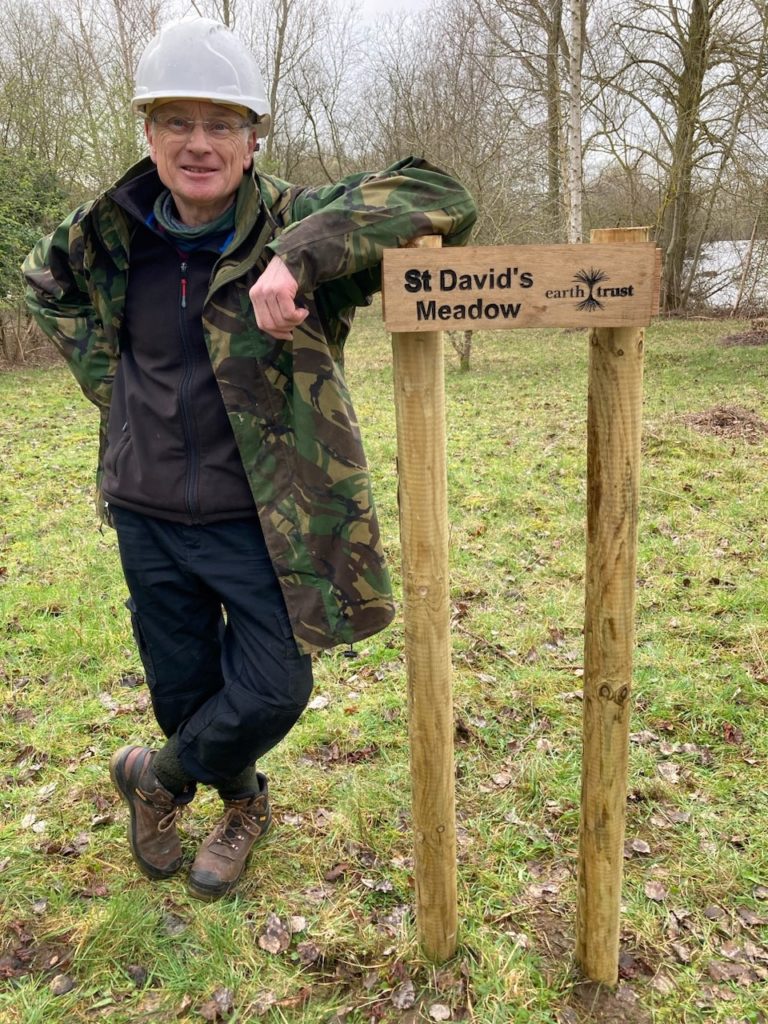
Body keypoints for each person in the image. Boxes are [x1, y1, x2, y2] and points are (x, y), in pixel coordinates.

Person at [23, 17, 476, 901]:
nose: (200, 144)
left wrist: (298, 258)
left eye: (222, 123)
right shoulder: (108, 233)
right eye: (178, 122)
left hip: (264, 521)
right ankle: (241, 801)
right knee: (183, 689)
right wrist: (113, 391)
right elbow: (44, 282)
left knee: (272, 686)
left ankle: (156, 778)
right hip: (147, 511)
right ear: (148, 132)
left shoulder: (297, 221)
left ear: (253, 137)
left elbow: (443, 191)